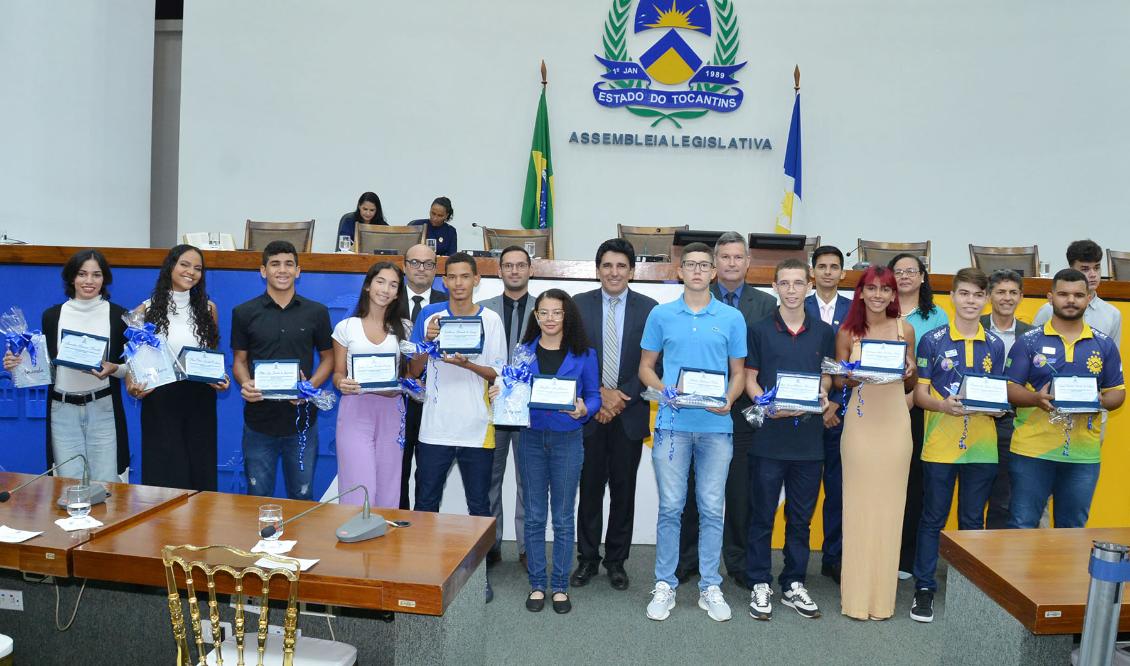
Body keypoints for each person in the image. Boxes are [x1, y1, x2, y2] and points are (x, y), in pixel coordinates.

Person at [639, 242, 747, 623]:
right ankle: (665, 583)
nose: (699, 271)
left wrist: (730, 400)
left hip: (716, 427)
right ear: (679, 271)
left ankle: (709, 586)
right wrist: (663, 390)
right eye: (691, 265)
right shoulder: (661, 315)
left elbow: (738, 374)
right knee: (671, 507)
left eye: (705, 265)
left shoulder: (732, 318)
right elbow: (646, 368)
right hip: (671, 426)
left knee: (712, 508)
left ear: (714, 271)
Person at [490, 289, 600, 614]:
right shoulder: (523, 352)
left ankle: (560, 587)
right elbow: (510, 388)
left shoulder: (584, 354)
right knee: (536, 516)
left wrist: (584, 408)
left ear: (567, 316)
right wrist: (501, 390)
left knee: (564, 518)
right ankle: (538, 584)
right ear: (535, 316)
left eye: (557, 312)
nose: (550, 319)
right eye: (544, 313)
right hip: (531, 439)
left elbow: (593, 395)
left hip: (568, 440)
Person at [677, 232, 775, 587]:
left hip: (744, 413)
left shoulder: (765, 304)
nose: (732, 263)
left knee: (738, 493)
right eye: (725, 257)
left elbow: (769, 357)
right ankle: (687, 559)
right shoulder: (695, 300)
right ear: (714, 265)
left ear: (748, 263)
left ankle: (738, 560)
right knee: (691, 490)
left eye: (738, 257)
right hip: (696, 412)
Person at [407, 252, 507, 601]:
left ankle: (479, 578)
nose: (460, 283)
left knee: (479, 507)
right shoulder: (428, 316)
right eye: (453, 277)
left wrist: (467, 365)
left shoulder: (491, 320)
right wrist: (428, 341)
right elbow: (412, 371)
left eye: (466, 276)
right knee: (425, 504)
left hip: (478, 426)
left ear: (476, 280)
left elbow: (498, 372)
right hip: (434, 427)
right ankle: (420, 575)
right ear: (444, 280)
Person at [909, 268, 1005, 623]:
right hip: (940, 444)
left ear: (986, 299)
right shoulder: (932, 340)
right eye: (964, 294)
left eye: (977, 295)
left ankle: (968, 590)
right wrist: (942, 405)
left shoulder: (995, 344)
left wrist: (998, 409)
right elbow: (919, 394)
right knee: (932, 517)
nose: (970, 301)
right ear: (952, 296)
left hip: (982, 447)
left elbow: (1000, 393)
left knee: (971, 521)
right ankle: (923, 588)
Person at [744, 259, 836, 621]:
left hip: (809, 443)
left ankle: (794, 581)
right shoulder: (760, 328)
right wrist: (764, 404)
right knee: (762, 515)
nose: (792, 289)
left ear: (809, 286)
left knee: (801, 518)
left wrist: (823, 395)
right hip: (769, 438)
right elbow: (750, 378)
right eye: (785, 283)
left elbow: (826, 378)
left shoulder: (824, 331)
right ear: (775, 287)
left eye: (799, 283)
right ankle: (759, 582)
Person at [1005, 268, 1124, 529]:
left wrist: (1097, 401)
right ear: (1050, 298)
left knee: (1073, 529)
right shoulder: (1028, 342)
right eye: (1063, 294)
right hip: (1032, 450)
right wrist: (1036, 398)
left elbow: (1118, 392)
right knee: (1021, 525)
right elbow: (1010, 388)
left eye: (1078, 295)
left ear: (1089, 298)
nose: (1071, 300)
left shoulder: (1103, 344)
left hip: (1082, 455)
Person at [571, 239, 657, 591]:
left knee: (624, 491)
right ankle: (587, 559)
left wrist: (620, 396)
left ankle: (617, 561)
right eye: (607, 265)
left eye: (621, 266)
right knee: (589, 489)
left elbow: (654, 360)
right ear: (597, 270)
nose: (614, 272)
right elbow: (572, 357)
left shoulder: (650, 309)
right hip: (589, 412)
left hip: (630, 412)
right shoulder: (577, 306)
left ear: (632, 271)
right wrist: (600, 396)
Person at [834, 265, 917, 621]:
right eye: (872, 288)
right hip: (861, 425)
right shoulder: (848, 331)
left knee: (890, 511)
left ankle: (882, 601)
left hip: (896, 426)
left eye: (886, 289)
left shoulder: (905, 329)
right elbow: (839, 383)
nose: (879, 295)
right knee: (858, 509)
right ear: (862, 292)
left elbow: (910, 387)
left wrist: (910, 370)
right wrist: (853, 375)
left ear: (893, 294)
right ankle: (855, 599)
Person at [4, 250, 128, 483]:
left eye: (96, 275)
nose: (89, 281)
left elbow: (130, 367)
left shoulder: (119, 316)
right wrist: (16, 366)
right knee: (67, 485)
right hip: (62, 411)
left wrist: (114, 368)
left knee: (107, 486)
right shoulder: (52, 316)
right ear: (72, 277)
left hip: (103, 408)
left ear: (105, 278)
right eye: (82, 274)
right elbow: (44, 366)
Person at [231, 241, 333, 500]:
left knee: (302, 496)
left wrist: (308, 389)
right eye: (275, 264)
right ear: (263, 271)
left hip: (302, 423)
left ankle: (300, 542)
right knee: (257, 497)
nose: (282, 270)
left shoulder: (317, 312)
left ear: (298, 271)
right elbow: (239, 361)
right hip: (258, 422)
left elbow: (328, 359)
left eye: (289, 264)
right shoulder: (243, 313)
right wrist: (246, 384)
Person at [127, 244, 227, 491]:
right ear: (170, 265)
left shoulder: (209, 309)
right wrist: (132, 385)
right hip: (161, 399)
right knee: (164, 473)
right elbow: (133, 360)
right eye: (184, 264)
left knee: (199, 472)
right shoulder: (144, 310)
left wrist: (219, 377)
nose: (191, 272)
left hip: (200, 399)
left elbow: (211, 355)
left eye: (198, 268)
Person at [331, 262, 411, 509]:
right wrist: (342, 383)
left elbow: (408, 375)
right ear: (367, 285)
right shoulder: (346, 327)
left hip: (392, 412)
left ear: (398, 293)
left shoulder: (406, 328)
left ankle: (384, 545)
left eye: (393, 284)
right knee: (359, 485)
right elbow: (337, 374)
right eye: (380, 281)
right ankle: (354, 543)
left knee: (389, 487)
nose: (385, 289)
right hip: (355, 411)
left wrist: (407, 383)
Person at [888, 252, 947, 578]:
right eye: (898, 271)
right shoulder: (881, 308)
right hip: (879, 407)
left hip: (917, 409)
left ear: (923, 277)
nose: (905, 276)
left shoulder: (936, 317)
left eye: (912, 271)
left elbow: (941, 369)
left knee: (913, 483)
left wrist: (911, 400)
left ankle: (905, 557)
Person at [481, 246, 535, 566]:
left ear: (530, 270)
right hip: (493, 407)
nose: (514, 271)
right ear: (499, 271)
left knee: (528, 480)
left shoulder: (545, 309)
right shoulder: (484, 310)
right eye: (508, 266)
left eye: (520, 265)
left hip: (529, 411)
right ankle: (492, 544)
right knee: (490, 479)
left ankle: (528, 547)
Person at [804, 245, 852, 583]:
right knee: (802, 492)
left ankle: (833, 556)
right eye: (822, 266)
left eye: (834, 267)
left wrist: (834, 400)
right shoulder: (795, 303)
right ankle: (797, 562)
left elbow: (854, 362)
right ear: (812, 271)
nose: (828, 272)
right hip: (802, 414)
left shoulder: (856, 311)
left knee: (837, 490)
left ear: (842, 273)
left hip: (840, 413)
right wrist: (815, 403)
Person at [981, 269, 1035, 529]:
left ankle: (991, 563)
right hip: (972, 418)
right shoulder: (973, 325)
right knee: (971, 496)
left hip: (1010, 423)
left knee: (1003, 497)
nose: (1007, 298)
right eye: (1001, 291)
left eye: (1013, 292)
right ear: (990, 295)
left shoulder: (1032, 334)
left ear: (1021, 297)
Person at [399, 243, 448, 509]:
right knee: (397, 471)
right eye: (415, 263)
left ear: (436, 269)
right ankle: (398, 533)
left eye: (428, 264)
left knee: (429, 476)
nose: (421, 269)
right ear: (405, 266)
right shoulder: (387, 299)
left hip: (436, 399)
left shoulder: (449, 304)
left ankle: (424, 534)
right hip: (395, 399)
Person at [1032, 240, 1122, 346]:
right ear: (1071, 270)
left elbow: (1113, 358)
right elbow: (1032, 347)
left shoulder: (1112, 314)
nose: (1093, 274)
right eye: (1085, 269)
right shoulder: (1048, 310)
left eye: (1096, 268)